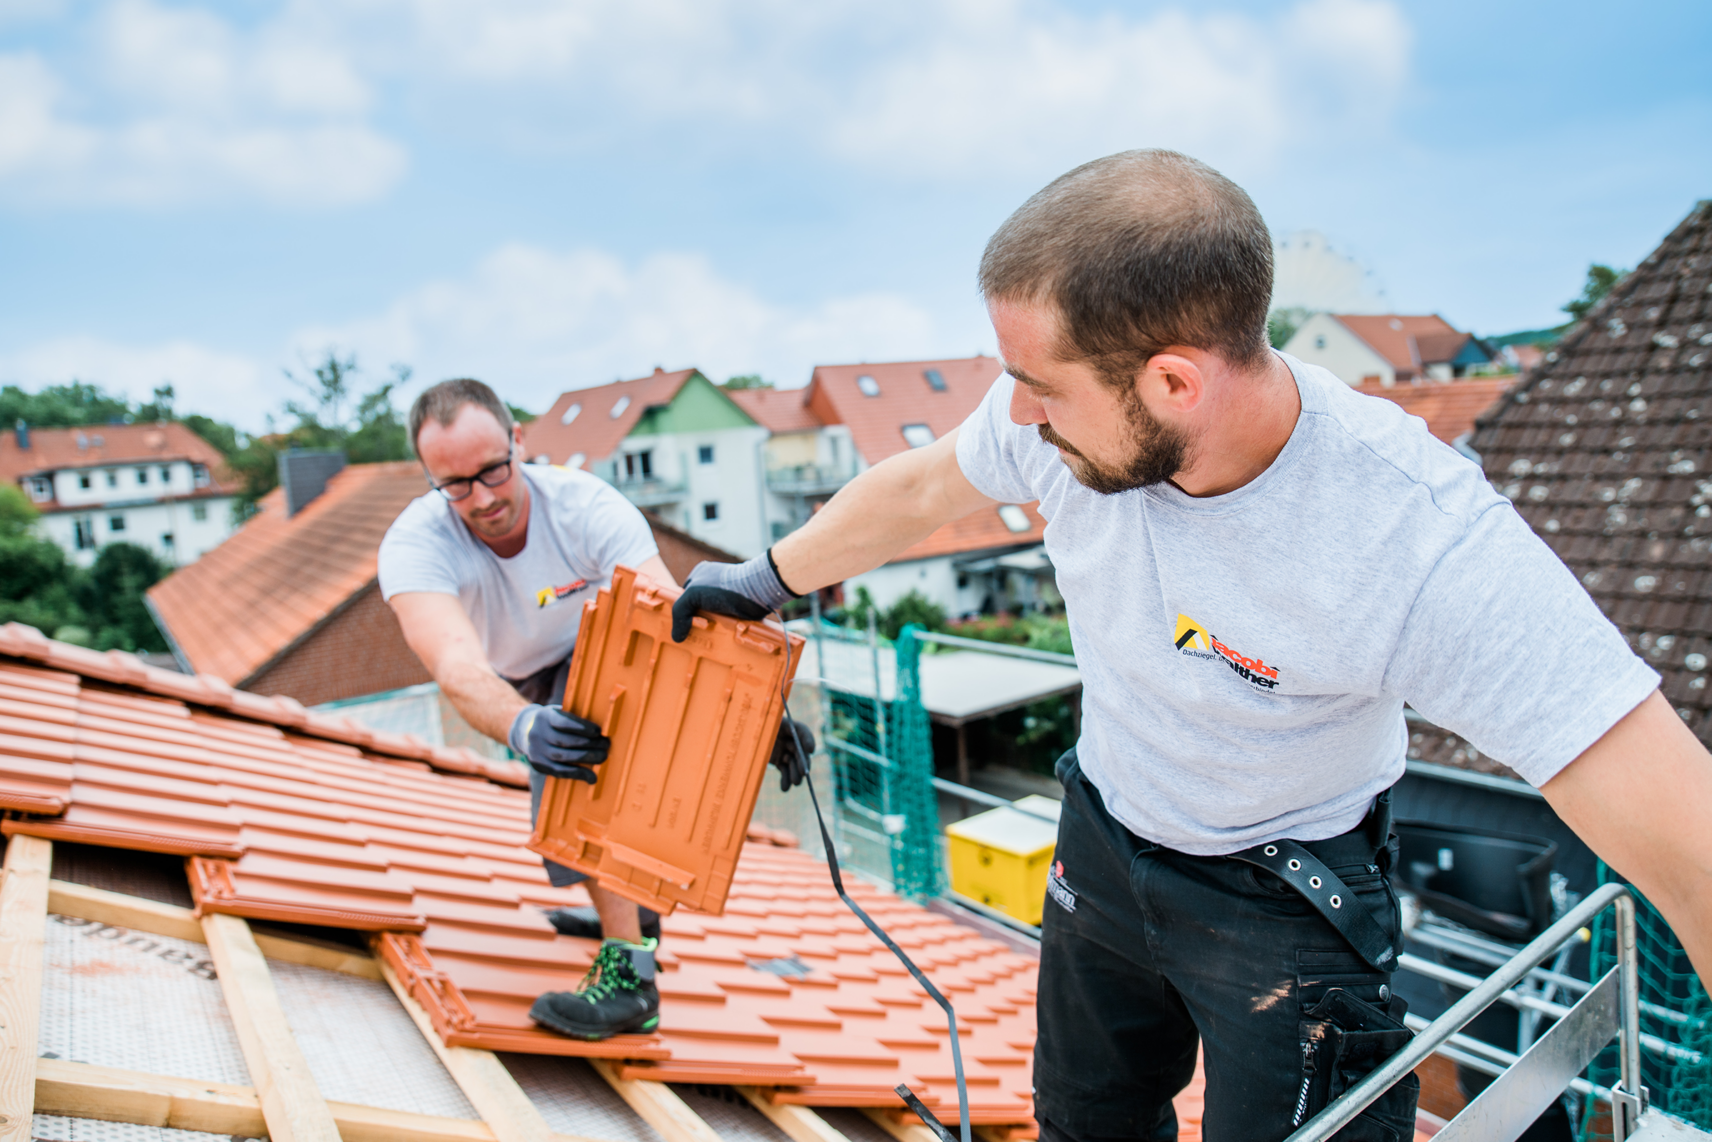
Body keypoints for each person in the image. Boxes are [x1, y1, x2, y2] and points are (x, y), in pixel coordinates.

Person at [670, 151, 1712, 1142]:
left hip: (1285, 893)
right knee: (1083, 1120)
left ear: (1172, 383)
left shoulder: (1412, 541)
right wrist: (766, 578)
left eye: (1040, 383)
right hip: (1107, 836)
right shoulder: (1050, 421)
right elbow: (923, 483)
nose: (1018, 413)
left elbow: (1690, 844)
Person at [379, 378, 674, 1042]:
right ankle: (635, 915)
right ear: (429, 478)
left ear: (519, 442)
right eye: (455, 484)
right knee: (559, 792)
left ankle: (633, 985)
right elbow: (455, 663)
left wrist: (757, 708)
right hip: (511, 676)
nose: (482, 499)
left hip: (600, 646)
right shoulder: (414, 545)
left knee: (578, 776)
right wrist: (519, 723)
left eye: (493, 471)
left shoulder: (584, 505)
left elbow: (665, 608)